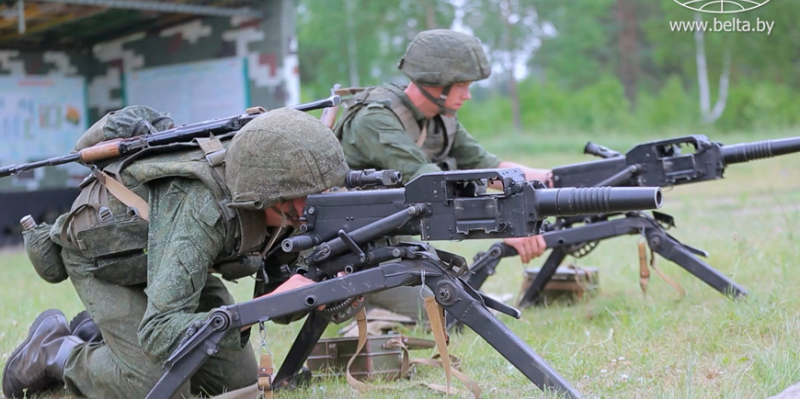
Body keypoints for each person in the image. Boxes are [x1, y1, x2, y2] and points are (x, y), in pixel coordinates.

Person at [2, 107, 349, 399]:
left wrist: (323, 288)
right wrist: (257, 311)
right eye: (310, 194)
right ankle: (54, 351)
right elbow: (160, 330)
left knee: (238, 383)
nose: (317, 202)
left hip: (170, 264)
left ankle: (105, 335)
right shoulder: (203, 206)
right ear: (271, 192)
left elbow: (278, 296)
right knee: (159, 386)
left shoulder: (287, 204)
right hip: (106, 263)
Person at [334, 29, 551, 318]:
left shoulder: (440, 118)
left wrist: (552, 180)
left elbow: (488, 166)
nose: (468, 95)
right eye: (462, 85)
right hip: (349, 251)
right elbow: (436, 189)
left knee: (459, 299)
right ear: (437, 82)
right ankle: (369, 306)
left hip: (393, 241)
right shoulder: (375, 120)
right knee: (448, 313)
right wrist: (508, 223)